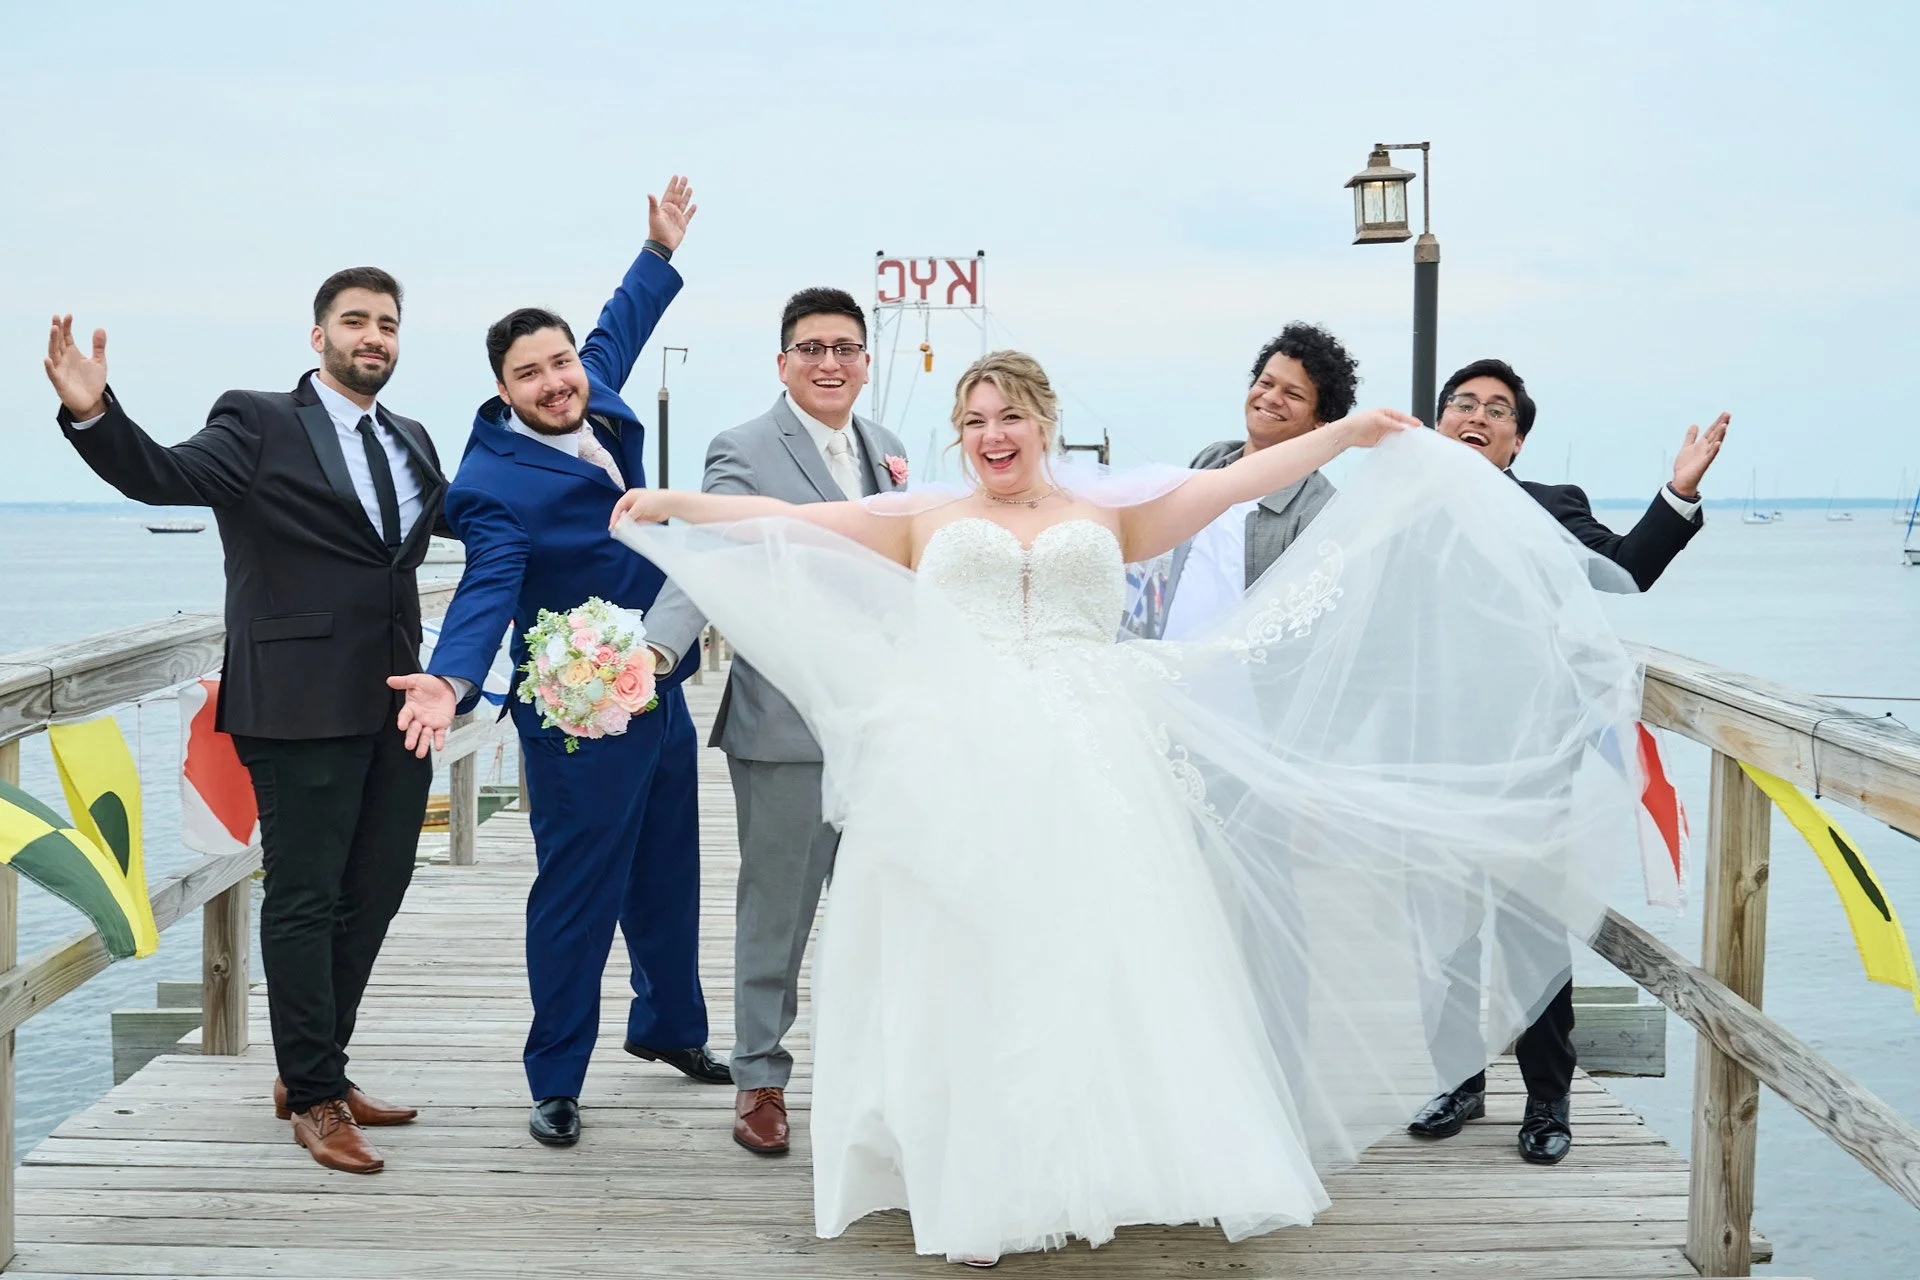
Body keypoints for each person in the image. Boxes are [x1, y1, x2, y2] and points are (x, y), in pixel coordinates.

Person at [610, 350, 1647, 1265]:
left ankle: (1100, 1162)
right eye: (972, 421)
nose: (989, 436)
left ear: (1042, 421)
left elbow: (1248, 475)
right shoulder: (923, 515)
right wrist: (676, 504)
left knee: (1099, 955)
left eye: (1006, 415)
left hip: (1089, 751)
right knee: (967, 959)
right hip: (956, 760)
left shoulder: (1110, 514)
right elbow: (792, 522)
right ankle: (974, 1178)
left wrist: (1351, 429)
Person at [43, 271, 446, 1174]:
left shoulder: (413, 439)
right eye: (355, 321)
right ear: (319, 337)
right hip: (298, 703)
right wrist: (95, 414)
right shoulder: (259, 421)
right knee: (305, 898)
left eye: (387, 324)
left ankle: (319, 1068)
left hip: (396, 705)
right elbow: (165, 476)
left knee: (377, 887)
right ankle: (312, 1096)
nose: (372, 336)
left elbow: (466, 524)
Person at [388, 178, 730, 1150]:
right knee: (578, 891)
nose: (556, 380)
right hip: (576, 705)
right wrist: (451, 678)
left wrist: (658, 252)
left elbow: (619, 324)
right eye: (530, 373)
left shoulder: (598, 387)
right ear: (505, 390)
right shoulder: (494, 483)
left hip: (658, 681)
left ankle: (670, 1028)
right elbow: (491, 584)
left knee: (670, 866)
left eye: (562, 360)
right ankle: (557, 1077)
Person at [1408, 357, 1727, 1163]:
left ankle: (1547, 1103)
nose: (1474, 414)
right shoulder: (1398, 510)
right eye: (1460, 403)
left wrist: (1678, 492)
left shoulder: (1550, 507)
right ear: (1438, 423)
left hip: (1529, 759)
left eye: (1495, 409)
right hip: (1430, 760)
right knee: (1443, 936)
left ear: (1514, 442)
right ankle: (1459, 1082)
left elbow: (1627, 570)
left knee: (1531, 936)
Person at [642, 287, 910, 1155]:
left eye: (844, 347)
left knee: (890, 904)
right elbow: (706, 556)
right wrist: (653, 652)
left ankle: (887, 1076)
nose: (829, 362)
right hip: (786, 726)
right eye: (810, 348)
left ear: (866, 362)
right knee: (778, 910)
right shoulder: (745, 449)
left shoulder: (890, 449)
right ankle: (759, 1078)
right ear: (783, 362)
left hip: (886, 725)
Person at [1159, 323, 1358, 638]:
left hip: (1243, 680)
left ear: (1321, 422)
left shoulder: (1320, 510)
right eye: (1266, 383)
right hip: (1165, 670)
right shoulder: (1211, 461)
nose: (1272, 398)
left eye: (1293, 394)